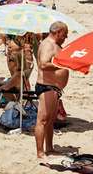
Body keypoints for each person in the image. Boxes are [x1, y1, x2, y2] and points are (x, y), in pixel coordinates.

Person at [35, 22, 69, 160]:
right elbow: (43, 64)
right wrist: (61, 64)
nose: (65, 38)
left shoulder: (54, 44)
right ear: (58, 31)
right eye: (64, 34)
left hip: (53, 88)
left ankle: (49, 148)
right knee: (43, 120)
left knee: (50, 121)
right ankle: (40, 152)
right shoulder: (48, 44)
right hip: (46, 86)